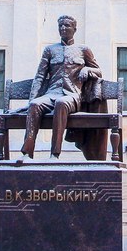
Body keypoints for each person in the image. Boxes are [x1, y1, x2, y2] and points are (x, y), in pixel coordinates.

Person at [21, 15, 102, 159]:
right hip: (51, 94)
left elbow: (98, 71)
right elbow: (40, 76)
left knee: (61, 103)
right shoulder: (50, 50)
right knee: (34, 105)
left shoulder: (83, 50)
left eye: (67, 26)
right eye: (61, 26)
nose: (63, 28)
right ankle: (27, 153)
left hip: (72, 96)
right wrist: (31, 99)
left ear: (74, 29)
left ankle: (54, 154)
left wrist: (86, 70)